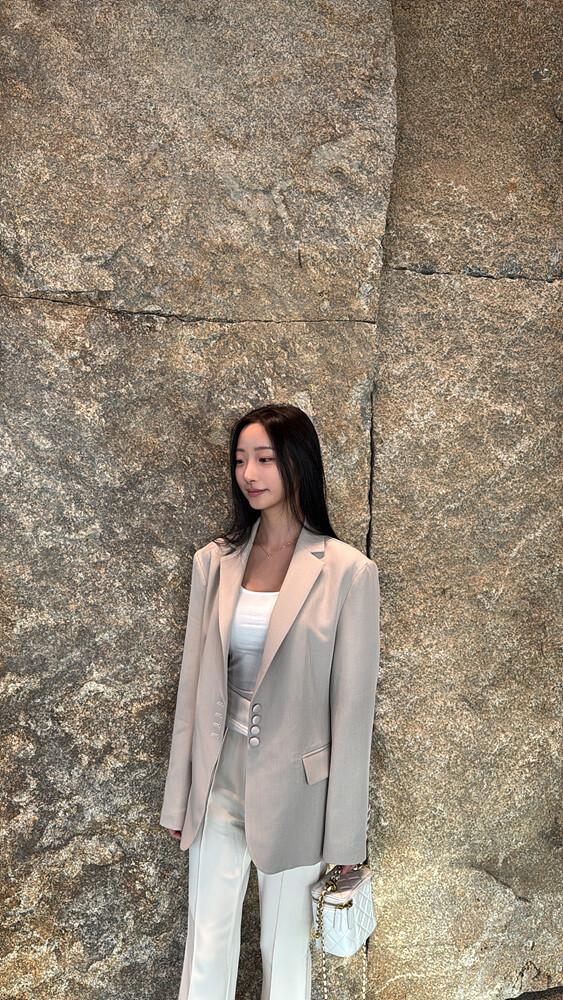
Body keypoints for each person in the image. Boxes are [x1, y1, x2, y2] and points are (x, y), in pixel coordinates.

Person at [159, 403, 380, 1000]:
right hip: (217, 777)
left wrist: (346, 840)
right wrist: (180, 797)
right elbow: (193, 688)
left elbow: (352, 717)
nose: (249, 474)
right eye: (240, 460)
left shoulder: (347, 572)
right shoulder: (214, 562)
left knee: (285, 952)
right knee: (206, 943)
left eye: (264, 458)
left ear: (297, 463)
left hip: (298, 792)